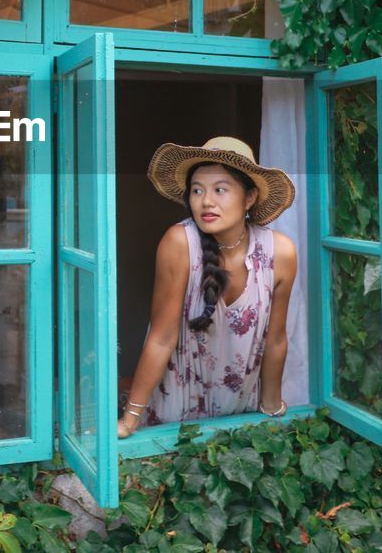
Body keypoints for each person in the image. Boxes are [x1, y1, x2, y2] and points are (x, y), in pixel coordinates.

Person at [119, 136, 297, 438]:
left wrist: (271, 410)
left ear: (249, 197)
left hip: (240, 418)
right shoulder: (179, 243)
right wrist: (129, 420)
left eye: (220, 190)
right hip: (176, 415)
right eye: (197, 190)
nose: (206, 201)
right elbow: (161, 337)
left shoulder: (279, 252)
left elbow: (276, 339)